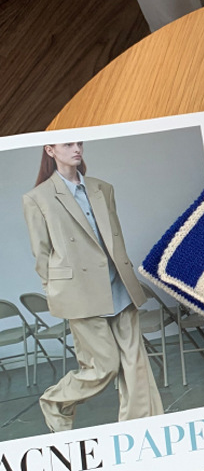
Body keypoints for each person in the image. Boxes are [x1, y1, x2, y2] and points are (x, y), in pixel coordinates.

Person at [22, 141, 164, 432]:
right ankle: (55, 401)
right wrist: (55, 290)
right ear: (50, 150)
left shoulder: (102, 188)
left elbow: (114, 238)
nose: (77, 149)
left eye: (79, 143)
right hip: (80, 291)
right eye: (68, 144)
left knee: (135, 363)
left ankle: (138, 429)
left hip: (118, 284)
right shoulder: (38, 198)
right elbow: (41, 253)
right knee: (103, 366)